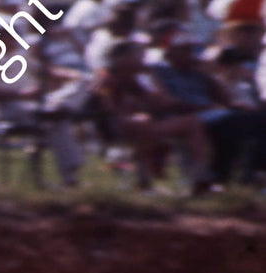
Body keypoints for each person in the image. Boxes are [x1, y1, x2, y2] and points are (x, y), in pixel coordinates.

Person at [92, 37, 212, 189]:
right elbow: (106, 108)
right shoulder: (107, 78)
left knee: (190, 123)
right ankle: (196, 177)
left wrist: (154, 80)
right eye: (138, 56)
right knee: (187, 124)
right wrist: (132, 117)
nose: (142, 60)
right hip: (117, 127)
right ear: (123, 58)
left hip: (137, 125)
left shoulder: (130, 78)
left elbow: (158, 102)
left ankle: (198, 177)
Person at [154, 32, 266, 181]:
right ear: (171, 51)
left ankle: (254, 171)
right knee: (235, 124)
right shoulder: (159, 71)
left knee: (259, 119)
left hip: (214, 114)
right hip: (188, 117)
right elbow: (167, 103)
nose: (191, 54)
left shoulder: (197, 72)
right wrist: (207, 108)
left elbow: (225, 100)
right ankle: (223, 175)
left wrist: (207, 74)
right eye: (186, 49)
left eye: (192, 49)